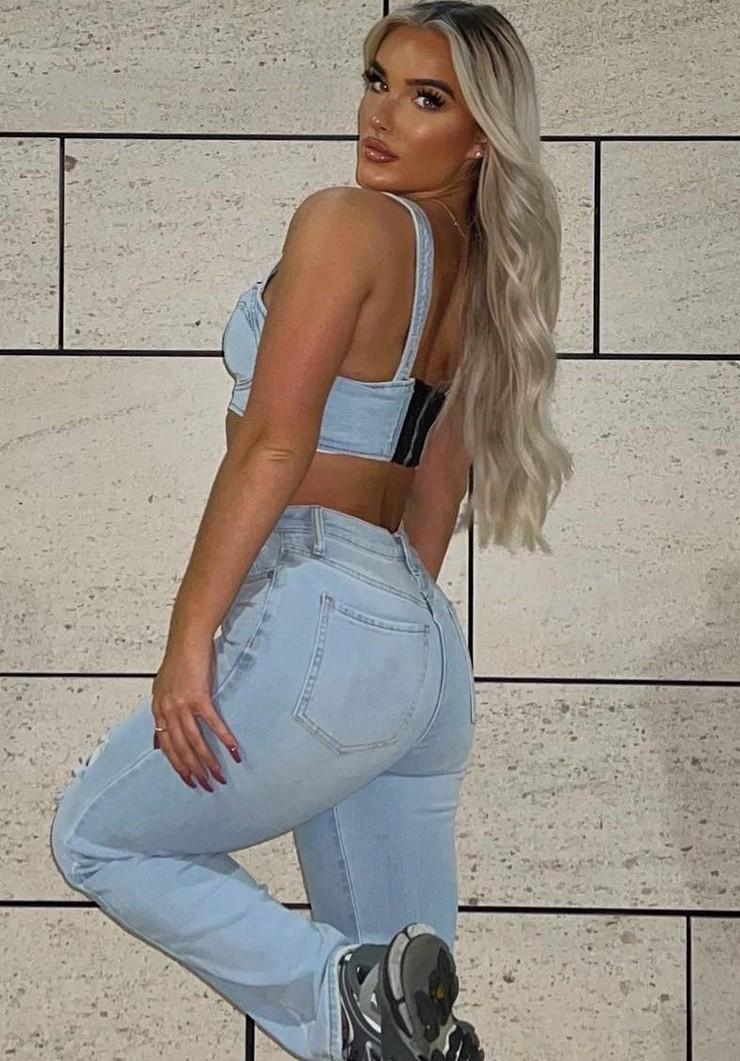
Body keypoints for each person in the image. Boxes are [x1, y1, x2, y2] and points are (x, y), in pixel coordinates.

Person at [50, 2, 572, 1058]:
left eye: (425, 98)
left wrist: (189, 636)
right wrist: (380, 649)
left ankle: (339, 997)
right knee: (408, 1026)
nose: (380, 115)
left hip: (326, 601)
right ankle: (379, 1012)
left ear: (479, 135)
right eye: (378, 81)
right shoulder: (484, 272)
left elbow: (272, 447)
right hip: (419, 645)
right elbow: (435, 492)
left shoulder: (348, 223)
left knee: (98, 836)